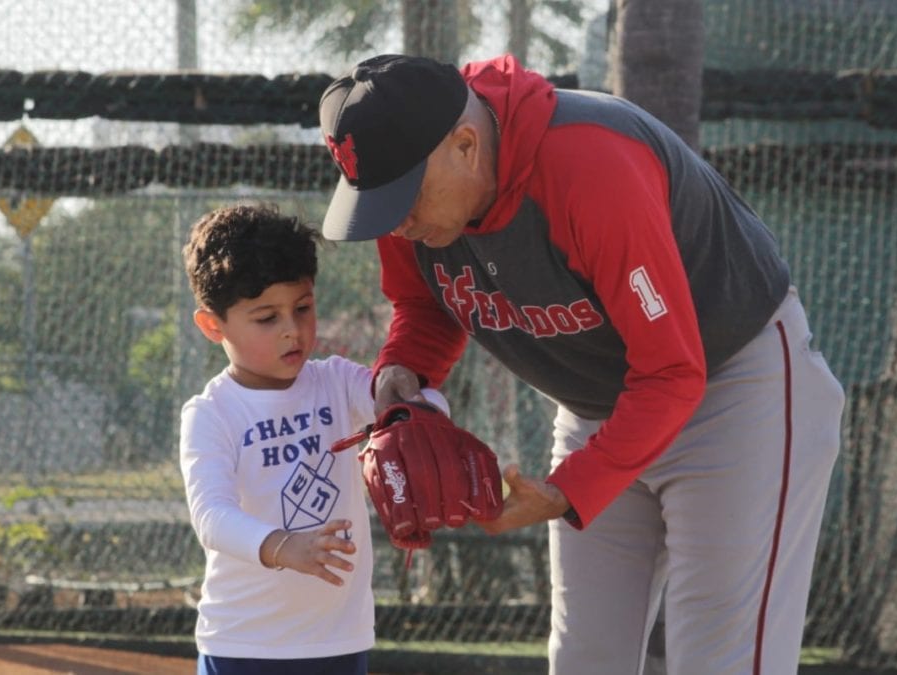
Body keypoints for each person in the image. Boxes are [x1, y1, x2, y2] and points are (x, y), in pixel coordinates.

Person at [316, 53, 845, 675]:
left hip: (735, 391)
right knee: (586, 659)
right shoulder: (409, 197)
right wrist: (403, 371)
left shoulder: (590, 164)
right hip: (600, 408)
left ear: (465, 145)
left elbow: (674, 372)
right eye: (376, 200)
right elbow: (424, 306)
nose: (394, 220)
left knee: (720, 660)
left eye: (401, 196)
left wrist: (571, 487)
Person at [179, 203, 450, 675]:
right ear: (212, 325)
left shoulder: (337, 382)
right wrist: (285, 546)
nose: (292, 330)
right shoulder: (211, 413)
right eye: (266, 317)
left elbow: (406, 401)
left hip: (337, 642)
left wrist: (423, 417)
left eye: (303, 307)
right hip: (243, 646)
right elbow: (212, 518)